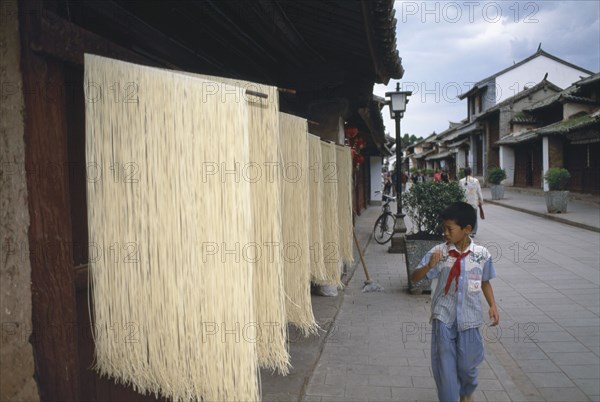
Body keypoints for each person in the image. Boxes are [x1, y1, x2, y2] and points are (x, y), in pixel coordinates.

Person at [411, 202, 499, 402]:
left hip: (470, 319)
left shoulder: (482, 255)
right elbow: (415, 277)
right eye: (443, 228)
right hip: (444, 317)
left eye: (449, 229)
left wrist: (493, 305)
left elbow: (485, 282)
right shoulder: (438, 252)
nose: (445, 233)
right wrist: (429, 265)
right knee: (445, 365)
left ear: (467, 229)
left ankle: (466, 391)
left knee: (468, 365)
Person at [458, 167, 484, 236]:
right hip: (474, 202)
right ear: (471, 172)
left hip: (464, 202)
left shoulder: (461, 181)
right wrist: (481, 201)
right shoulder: (476, 181)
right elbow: (479, 192)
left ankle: (466, 231)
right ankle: (473, 232)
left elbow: (459, 192)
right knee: (474, 217)